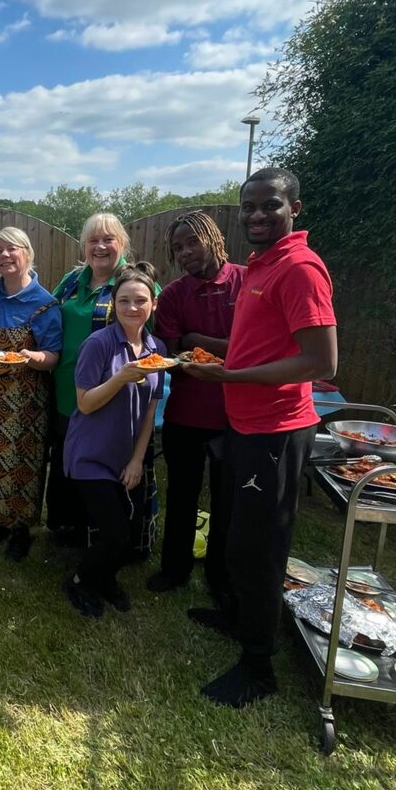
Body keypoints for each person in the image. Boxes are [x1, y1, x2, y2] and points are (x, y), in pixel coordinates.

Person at [182, 168, 337, 708]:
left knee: (261, 548)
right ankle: (238, 619)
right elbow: (258, 344)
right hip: (244, 423)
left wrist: (230, 376)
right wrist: (218, 358)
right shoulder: (260, 266)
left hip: (276, 429)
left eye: (270, 205)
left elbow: (320, 361)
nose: (256, 215)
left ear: (295, 208)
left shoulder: (299, 268)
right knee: (236, 535)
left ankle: (258, 666)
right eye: (248, 206)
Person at [150, 210, 246, 600]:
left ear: (214, 238)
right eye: (178, 248)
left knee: (228, 501)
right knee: (181, 495)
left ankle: (220, 578)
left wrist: (197, 338)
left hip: (235, 415)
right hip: (186, 414)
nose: (185, 252)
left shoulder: (246, 282)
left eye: (192, 242)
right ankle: (174, 570)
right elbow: (173, 353)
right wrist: (211, 347)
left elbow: (253, 349)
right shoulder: (173, 295)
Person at [61, 267, 166, 617]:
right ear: (113, 304)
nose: (132, 308)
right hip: (90, 454)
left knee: (131, 534)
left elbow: (150, 412)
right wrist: (121, 377)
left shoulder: (156, 349)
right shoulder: (99, 344)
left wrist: (137, 460)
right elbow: (85, 403)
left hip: (125, 456)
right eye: (124, 301)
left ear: (153, 304)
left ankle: (105, 579)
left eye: (140, 300)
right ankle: (78, 580)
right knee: (116, 535)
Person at [0, 227, 63, 560]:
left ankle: (20, 530)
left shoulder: (44, 304)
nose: (5, 255)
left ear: (27, 253)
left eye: (12, 249)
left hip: (23, 401)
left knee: (20, 463)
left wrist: (33, 357)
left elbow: (53, 356)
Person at [48, 215, 131, 546]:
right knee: (66, 457)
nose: (100, 247)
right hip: (66, 390)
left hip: (107, 395)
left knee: (96, 464)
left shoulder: (132, 281)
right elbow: (45, 310)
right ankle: (67, 526)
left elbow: (150, 338)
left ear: (121, 244)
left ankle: (100, 535)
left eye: (108, 239)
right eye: (93, 240)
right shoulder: (72, 281)